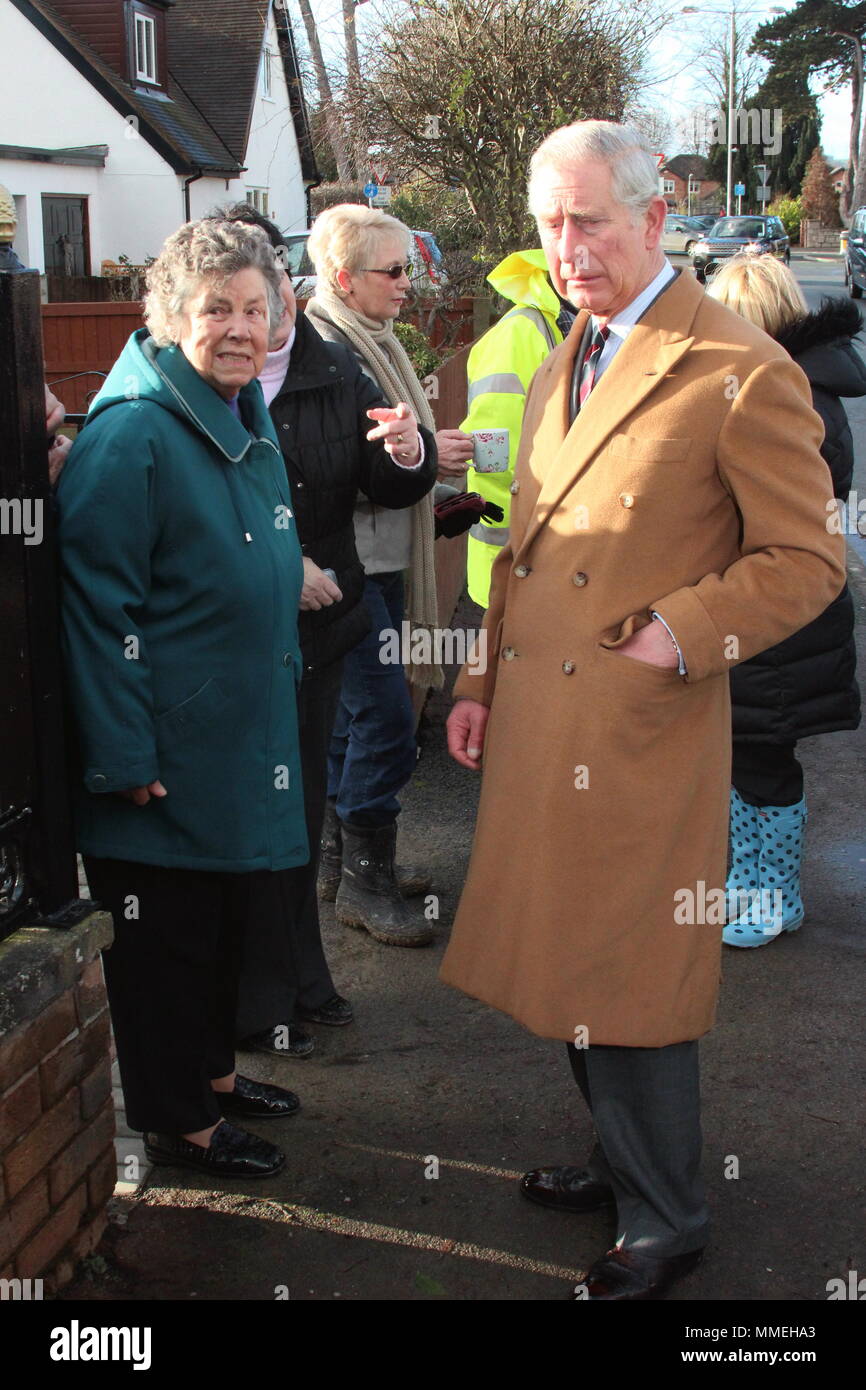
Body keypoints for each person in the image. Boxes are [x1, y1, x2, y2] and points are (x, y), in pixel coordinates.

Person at [442, 120, 846, 1301]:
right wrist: (475, 680)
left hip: (636, 723)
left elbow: (805, 559)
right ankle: (619, 1161)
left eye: (591, 222)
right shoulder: (575, 343)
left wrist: (682, 632)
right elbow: (522, 544)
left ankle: (667, 1216)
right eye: (551, 224)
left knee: (630, 977)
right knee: (568, 956)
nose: (567, 248)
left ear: (655, 215)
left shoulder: (736, 366)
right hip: (539, 718)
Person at [56, 218, 309, 1180]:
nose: (240, 328)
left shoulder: (237, 411)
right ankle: (178, 1123)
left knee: (218, 933)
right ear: (169, 315)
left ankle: (210, 1079)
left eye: (256, 308)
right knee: (164, 951)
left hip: (230, 741)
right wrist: (124, 756)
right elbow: (93, 606)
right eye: (217, 309)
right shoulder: (134, 437)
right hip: (162, 758)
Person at [217, 203, 436, 1057]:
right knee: (247, 822)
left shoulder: (333, 365)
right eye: (230, 303)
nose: (251, 319)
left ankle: (304, 978)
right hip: (231, 647)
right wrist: (278, 568)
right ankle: (252, 1002)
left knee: (299, 817)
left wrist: (409, 453)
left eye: (265, 292)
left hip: (321, 633)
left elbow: (385, 481)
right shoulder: (189, 385)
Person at [305, 205, 461, 946]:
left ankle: (341, 867)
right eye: (393, 270)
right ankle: (365, 881)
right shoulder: (334, 353)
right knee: (391, 723)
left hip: (382, 562)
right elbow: (338, 470)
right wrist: (421, 457)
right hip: (358, 570)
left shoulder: (367, 341)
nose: (409, 284)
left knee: (354, 717)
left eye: (411, 268)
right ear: (343, 277)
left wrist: (428, 453)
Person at [706, 254, 863, 945]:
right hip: (779, 620)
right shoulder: (801, 387)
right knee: (747, 758)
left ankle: (774, 897)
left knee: (765, 762)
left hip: (779, 623)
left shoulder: (787, 399)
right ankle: (750, 884)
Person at [461, 248, 575, 607]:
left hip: (540, 555)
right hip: (513, 560)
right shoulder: (520, 334)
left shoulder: (561, 325)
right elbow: (492, 451)